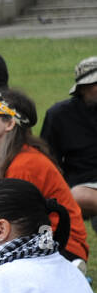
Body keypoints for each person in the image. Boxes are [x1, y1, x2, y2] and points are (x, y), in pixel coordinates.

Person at [0, 88, 87, 263]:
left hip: (62, 247)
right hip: (39, 241)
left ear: (9, 123)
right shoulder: (7, 158)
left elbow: (14, 226)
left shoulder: (25, 165)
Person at [40, 56, 97, 224]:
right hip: (83, 186)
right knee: (78, 195)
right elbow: (49, 160)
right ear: (82, 88)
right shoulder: (59, 115)